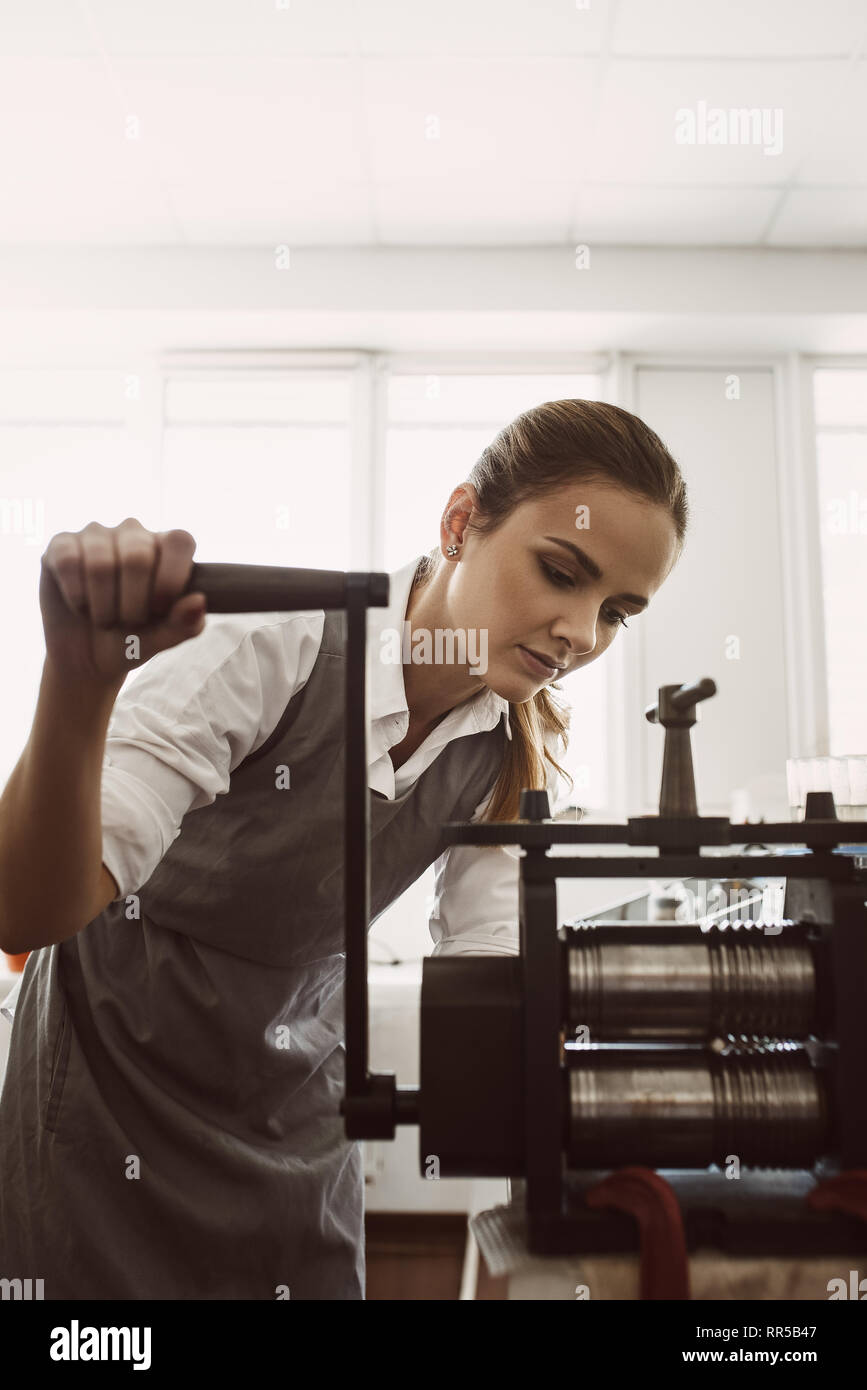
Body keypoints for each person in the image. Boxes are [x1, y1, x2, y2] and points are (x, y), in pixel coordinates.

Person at [0, 398, 687, 1300]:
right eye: (562, 573)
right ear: (458, 523)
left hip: (293, 1096)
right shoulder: (265, 648)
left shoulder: (511, 749)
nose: (581, 634)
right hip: (111, 1076)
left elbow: (490, 975)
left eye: (617, 613)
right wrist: (79, 685)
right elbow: (24, 911)